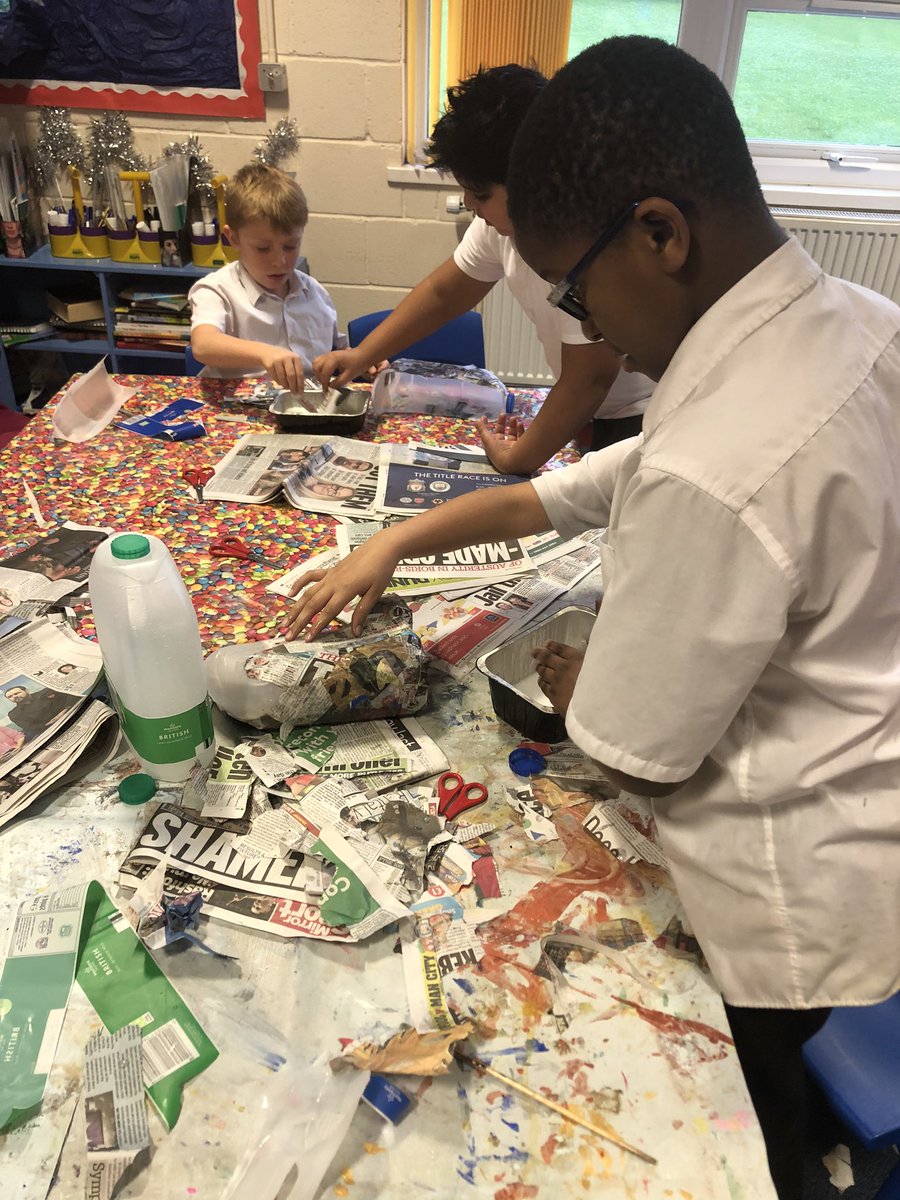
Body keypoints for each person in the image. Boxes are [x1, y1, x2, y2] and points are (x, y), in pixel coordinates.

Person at [284, 37, 900, 1200]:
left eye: (574, 289)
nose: (584, 325)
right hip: (869, 809)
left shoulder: (719, 461)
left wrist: (577, 674)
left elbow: (627, 751)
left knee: (745, 1113)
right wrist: (400, 537)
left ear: (660, 233)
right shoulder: (860, 319)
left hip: (791, 905)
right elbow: (571, 491)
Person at [312, 65, 654, 475]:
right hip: (593, 414)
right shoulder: (501, 225)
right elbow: (445, 292)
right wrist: (364, 353)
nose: (470, 204)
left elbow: (589, 380)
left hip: (642, 417)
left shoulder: (579, 242)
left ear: (536, 180)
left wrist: (516, 458)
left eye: (480, 193)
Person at [189, 164, 345, 392]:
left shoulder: (314, 292)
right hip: (240, 414)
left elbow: (334, 350)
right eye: (263, 249)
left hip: (304, 410)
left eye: (291, 246)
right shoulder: (217, 290)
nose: (279, 261)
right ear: (233, 238)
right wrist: (266, 353)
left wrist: (356, 360)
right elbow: (203, 345)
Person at [4, 684, 76, 740]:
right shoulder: (14, 714)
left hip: (72, 714)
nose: (14, 696)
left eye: (17, 693)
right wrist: (51, 723)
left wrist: (65, 710)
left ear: (26, 690)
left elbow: (72, 694)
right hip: (50, 730)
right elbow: (30, 727)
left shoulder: (46, 692)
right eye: (10, 696)